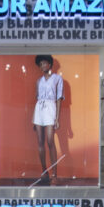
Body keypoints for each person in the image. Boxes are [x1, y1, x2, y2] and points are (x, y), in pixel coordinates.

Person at [32, 54, 63, 185]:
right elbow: (37, 98)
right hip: (39, 108)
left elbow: (59, 98)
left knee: (50, 140)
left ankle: (54, 174)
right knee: (40, 141)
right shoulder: (38, 81)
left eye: (45, 63)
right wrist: (34, 118)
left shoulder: (57, 78)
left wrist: (57, 118)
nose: (43, 66)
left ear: (50, 64)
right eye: (41, 64)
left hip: (51, 107)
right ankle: (44, 172)